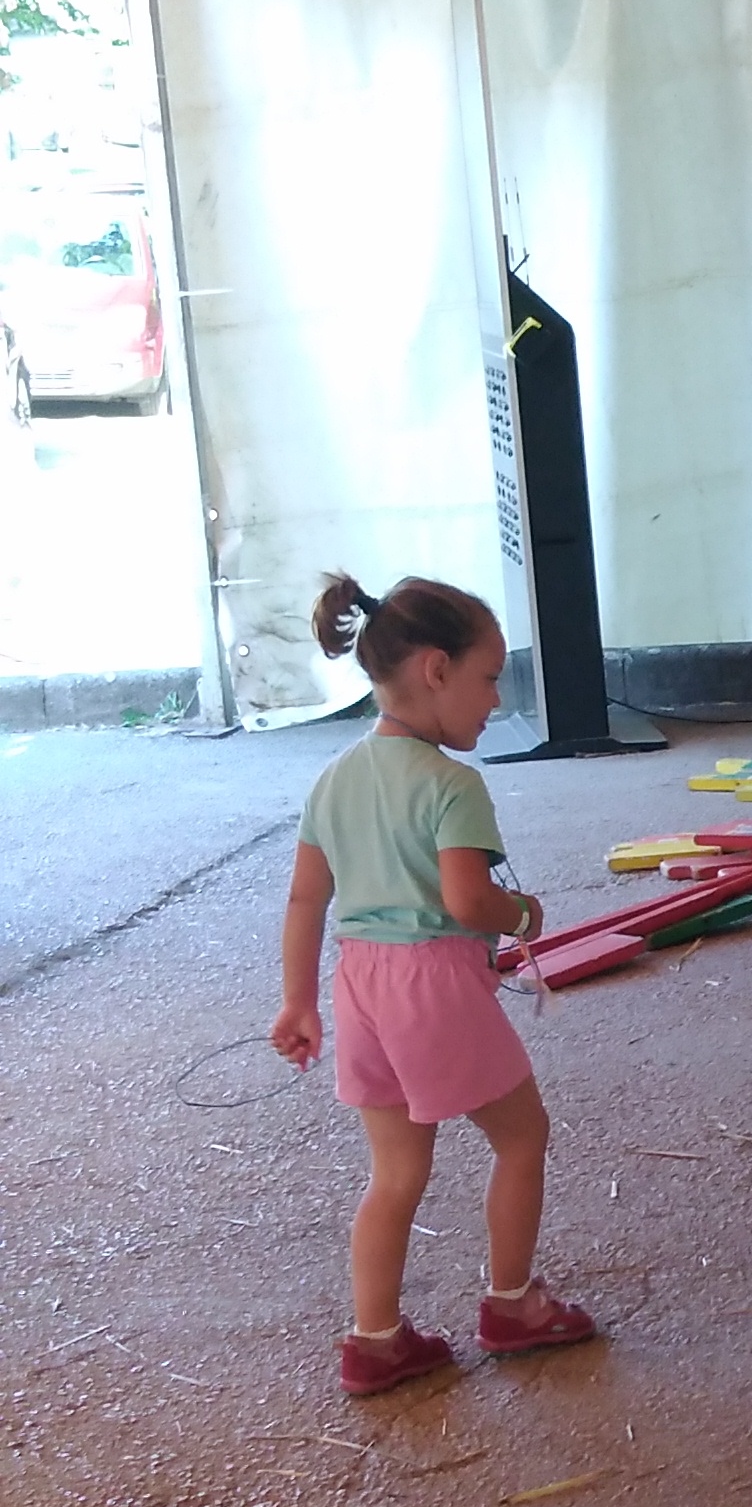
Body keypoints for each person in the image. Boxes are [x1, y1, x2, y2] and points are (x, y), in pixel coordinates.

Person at [271, 572, 596, 1396]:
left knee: (395, 1173)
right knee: (521, 1137)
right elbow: (466, 901)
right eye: (488, 678)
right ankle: (512, 1305)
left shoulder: (333, 779)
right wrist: (523, 915)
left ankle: (375, 1340)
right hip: (434, 985)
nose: (496, 700)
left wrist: (298, 1001)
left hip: (360, 987)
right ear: (436, 670)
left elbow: (307, 899)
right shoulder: (453, 785)